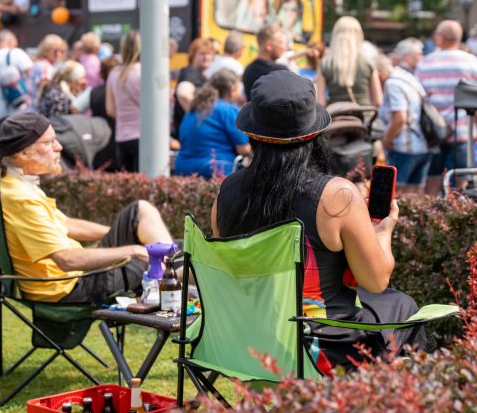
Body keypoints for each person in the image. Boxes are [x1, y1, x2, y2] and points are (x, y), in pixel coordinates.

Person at [213, 70, 425, 374]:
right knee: (401, 304)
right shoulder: (336, 195)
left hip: (248, 342)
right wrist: (383, 230)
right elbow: (376, 280)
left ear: (252, 134)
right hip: (322, 346)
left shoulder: (226, 193)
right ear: (314, 136)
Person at [0, 112, 174, 303]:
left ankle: (174, 268)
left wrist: (123, 232)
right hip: (70, 287)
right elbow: (67, 260)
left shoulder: (14, 184)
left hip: (70, 281)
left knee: (141, 213)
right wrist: (134, 250)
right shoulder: (22, 198)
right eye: (49, 143)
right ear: (24, 152)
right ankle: (176, 274)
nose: (59, 147)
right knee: (163, 256)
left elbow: (65, 224)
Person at [416, 21, 477, 196]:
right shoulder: (472, 62)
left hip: (434, 133)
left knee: (432, 182)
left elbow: (417, 97)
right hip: (463, 133)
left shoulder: (425, 63)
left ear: (441, 37)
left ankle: (430, 219)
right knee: (461, 183)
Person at [175, 69, 251, 178]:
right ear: (232, 90)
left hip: (183, 169)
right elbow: (244, 149)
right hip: (216, 170)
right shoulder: (228, 110)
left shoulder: (194, 108)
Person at [376, 46, 431, 194]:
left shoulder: (392, 84)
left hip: (404, 146)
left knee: (395, 193)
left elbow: (400, 117)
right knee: (413, 194)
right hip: (422, 144)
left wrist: (387, 140)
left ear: (379, 74)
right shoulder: (407, 77)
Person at [0, 29, 34, 170]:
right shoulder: (16, 53)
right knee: (18, 149)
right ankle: (14, 183)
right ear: (10, 41)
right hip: (16, 110)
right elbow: (31, 72)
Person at [316, 16, 382, 107]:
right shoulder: (368, 62)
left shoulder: (324, 63)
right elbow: (378, 101)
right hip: (363, 116)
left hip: (335, 115)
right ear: (358, 35)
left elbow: (320, 102)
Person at [74, 56, 120, 171]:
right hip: (119, 140)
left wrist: (88, 125)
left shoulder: (93, 91)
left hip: (99, 141)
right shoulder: (122, 90)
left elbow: (75, 108)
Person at [106, 31, 142, 172]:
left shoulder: (114, 72)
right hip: (143, 137)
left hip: (121, 137)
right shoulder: (144, 72)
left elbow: (110, 110)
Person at [174, 37, 216, 140]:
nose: (206, 57)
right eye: (202, 54)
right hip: (191, 135)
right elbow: (183, 94)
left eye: (209, 54)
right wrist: (203, 118)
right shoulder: (190, 73)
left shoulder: (201, 76)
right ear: (192, 56)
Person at [242, 24, 288, 101]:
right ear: (269, 46)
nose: (284, 48)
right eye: (281, 42)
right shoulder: (281, 72)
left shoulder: (248, 69)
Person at [28, 34, 68, 109]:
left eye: (62, 51)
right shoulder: (44, 66)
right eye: (55, 51)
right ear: (45, 50)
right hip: (39, 112)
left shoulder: (44, 64)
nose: (58, 54)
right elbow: (44, 89)